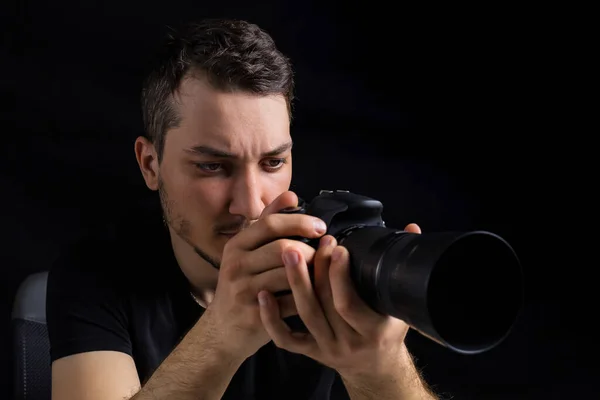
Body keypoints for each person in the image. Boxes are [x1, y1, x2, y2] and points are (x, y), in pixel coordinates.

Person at [46, 18, 439, 400]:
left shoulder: (326, 266)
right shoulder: (97, 273)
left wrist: (380, 368)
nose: (252, 204)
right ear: (150, 164)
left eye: (272, 163)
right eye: (213, 166)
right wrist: (222, 334)